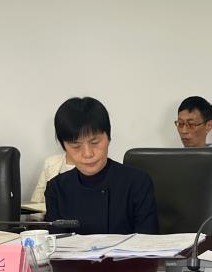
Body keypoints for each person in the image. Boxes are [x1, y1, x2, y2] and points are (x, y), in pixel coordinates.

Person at [44, 97, 158, 234]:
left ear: (108, 137)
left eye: (95, 142)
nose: (88, 154)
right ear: (64, 147)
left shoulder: (138, 182)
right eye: (76, 146)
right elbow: (56, 243)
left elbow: (148, 241)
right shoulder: (57, 189)